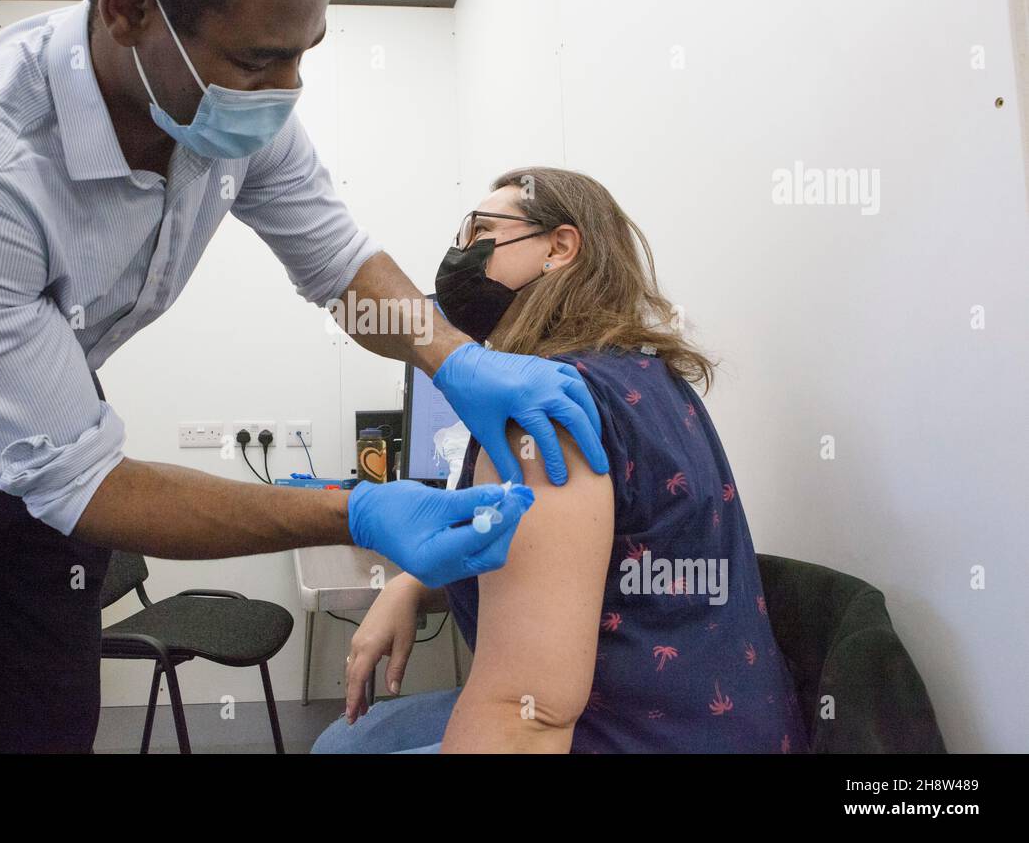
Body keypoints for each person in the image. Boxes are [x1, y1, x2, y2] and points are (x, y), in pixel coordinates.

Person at [0, 0, 610, 753]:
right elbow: (80, 483)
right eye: (257, 61)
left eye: (304, 55)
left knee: (49, 709)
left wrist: (458, 362)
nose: (285, 93)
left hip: (43, 369)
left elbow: (338, 264)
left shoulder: (232, 104)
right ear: (130, 11)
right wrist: (350, 508)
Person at [312, 167, 810, 753]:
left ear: (560, 246)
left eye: (480, 230)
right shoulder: (650, 377)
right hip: (725, 723)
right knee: (355, 743)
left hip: (631, 733)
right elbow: (591, 569)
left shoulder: (544, 410)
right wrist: (412, 585)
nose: (459, 253)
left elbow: (528, 716)